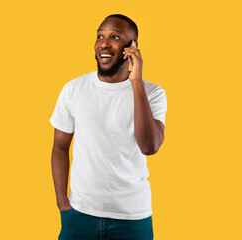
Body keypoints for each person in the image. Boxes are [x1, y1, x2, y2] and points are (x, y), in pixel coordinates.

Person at [50, 14, 167, 240]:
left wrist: (136, 81)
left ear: (132, 46)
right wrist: (62, 203)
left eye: (115, 37)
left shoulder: (153, 93)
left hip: (133, 217)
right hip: (79, 215)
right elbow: (59, 147)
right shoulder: (73, 89)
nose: (104, 43)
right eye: (100, 36)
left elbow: (150, 146)